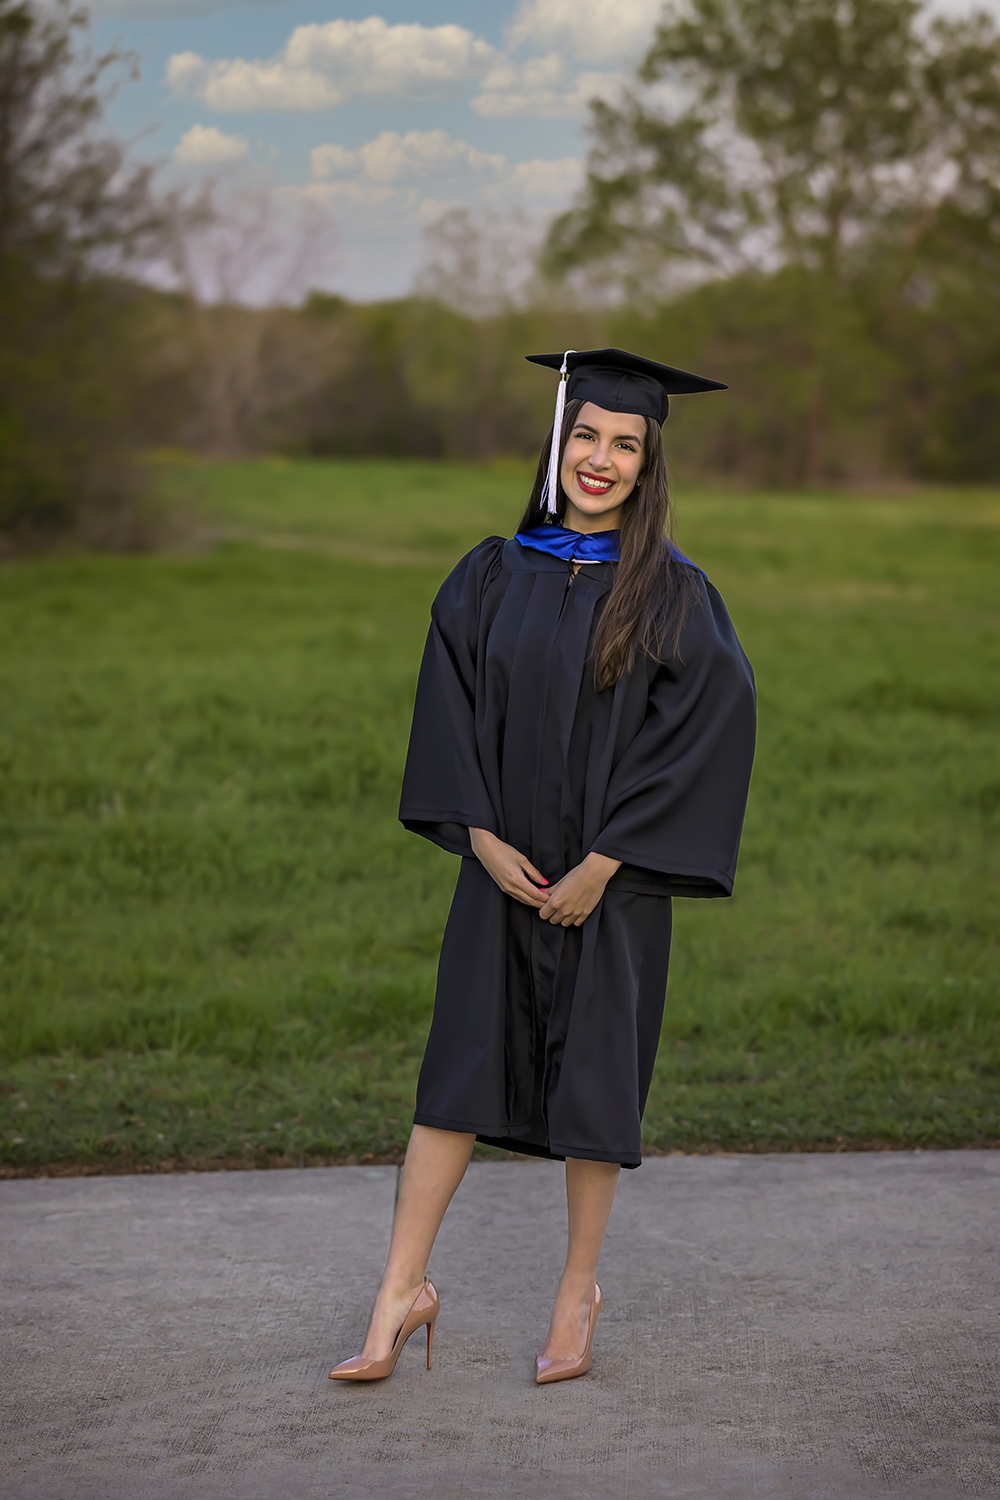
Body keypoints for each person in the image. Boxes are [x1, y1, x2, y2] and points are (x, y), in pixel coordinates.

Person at [330, 348, 756, 1386]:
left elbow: (706, 731)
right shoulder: (490, 573)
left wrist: (605, 864)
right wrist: (477, 833)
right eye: (585, 436)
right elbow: (451, 710)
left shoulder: (672, 595)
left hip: (608, 890)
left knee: (596, 1087)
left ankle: (576, 1298)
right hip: (500, 866)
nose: (599, 460)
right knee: (454, 1079)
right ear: (557, 440)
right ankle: (398, 1294)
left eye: (624, 444)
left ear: (648, 464)